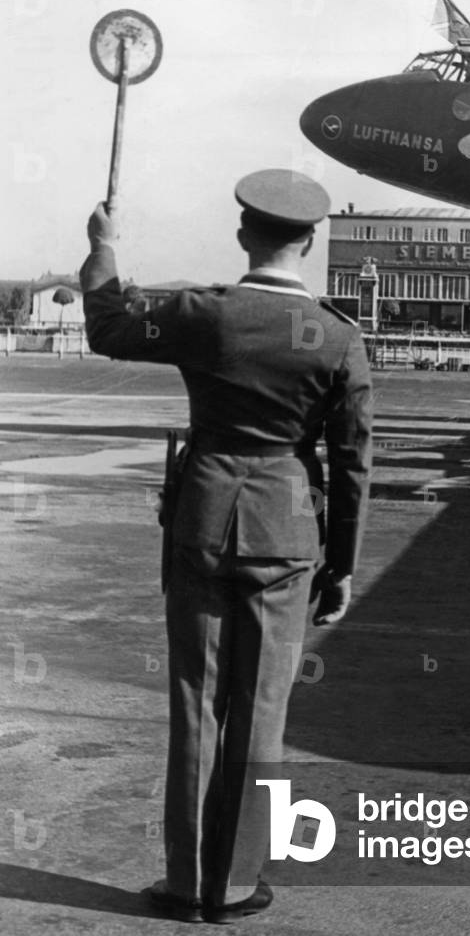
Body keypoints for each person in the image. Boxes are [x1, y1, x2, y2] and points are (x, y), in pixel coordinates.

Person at [79, 169, 373, 924]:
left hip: (204, 521)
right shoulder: (340, 338)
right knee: (262, 708)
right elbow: (352, 465)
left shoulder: (204, 315)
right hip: (286, 533)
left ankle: (185, 882)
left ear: (244, 234)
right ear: (310, 241)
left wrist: (104, 249)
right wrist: (341, 566)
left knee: (194, 702)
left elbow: (108, 326)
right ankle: (235, 885)